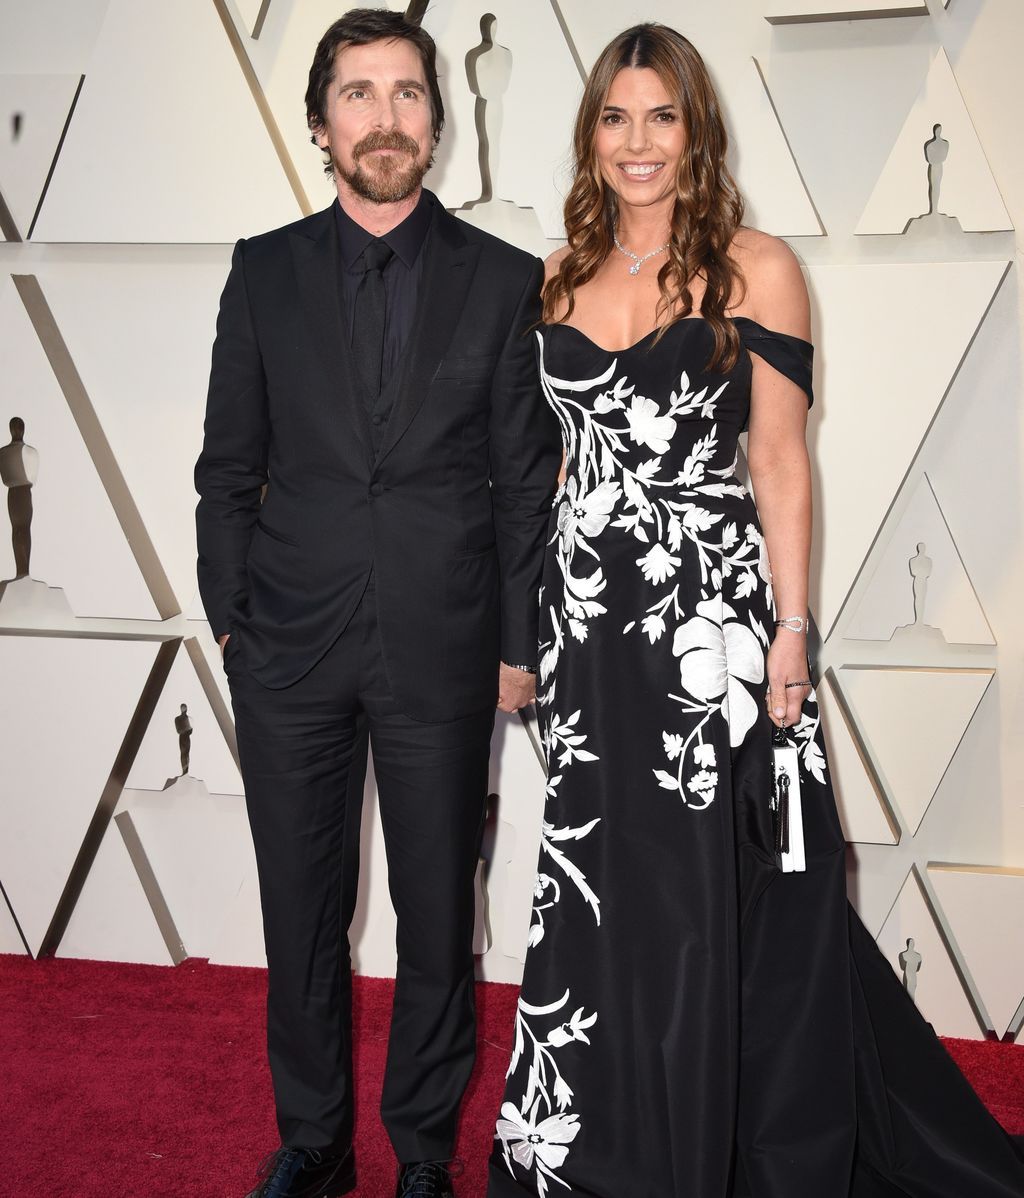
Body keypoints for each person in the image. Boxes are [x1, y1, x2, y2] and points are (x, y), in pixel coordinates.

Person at [489, 23, 1024, 1198]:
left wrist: (792, 629)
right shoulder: (553, 277)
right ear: (590, 134)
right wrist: (517, 636)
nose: (638, 143)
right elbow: (536, 473)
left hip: (710, 630)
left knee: (705, 888)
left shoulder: (756, 266)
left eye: (661, 117)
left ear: (698, 130)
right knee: (599, 880)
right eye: (616, 117)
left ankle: (705, 1147)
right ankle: (596, 1146)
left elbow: (778, 462)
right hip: (586, 626)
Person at [194, 10, 560, 1198]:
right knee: (300, 911)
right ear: (320, 123)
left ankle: (417, 1152)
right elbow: (224, 466)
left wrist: (517, 645)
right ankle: (310, 1143)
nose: (385, 116)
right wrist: (234, 622)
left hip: (443, 647)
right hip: (287, 650)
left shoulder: (504, 282)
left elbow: (523, 481)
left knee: (434, 920)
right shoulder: (263, 269)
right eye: (358, 93)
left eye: (407, 93)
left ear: (435, 123)